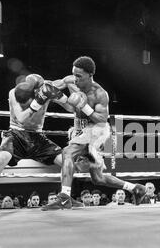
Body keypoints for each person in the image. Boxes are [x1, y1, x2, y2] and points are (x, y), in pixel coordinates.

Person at [42, 56, 145, 210]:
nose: (75, 79)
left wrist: (85, 107)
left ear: (90, 75)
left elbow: (102, 120)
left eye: (79, 76)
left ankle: (64, 198)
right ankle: (135, 189)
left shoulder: (100, 94)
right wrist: (42, 87)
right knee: (98, 178)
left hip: (97, 130)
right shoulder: (71, 80)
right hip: (80, 129)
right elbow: (54, 85)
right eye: (74, 74)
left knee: (68, 153)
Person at [0, 73, 80, 213]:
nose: (37, 93)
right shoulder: (15, 93)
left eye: (39, 91)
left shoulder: (47, 89)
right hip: (16, 133)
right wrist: (39, 101)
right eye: (34, 92)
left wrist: (66, 91)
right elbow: (21, 118)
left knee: (68, 162)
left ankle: (65, 198)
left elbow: (71, 108)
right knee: (1, 159)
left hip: (37, 136)